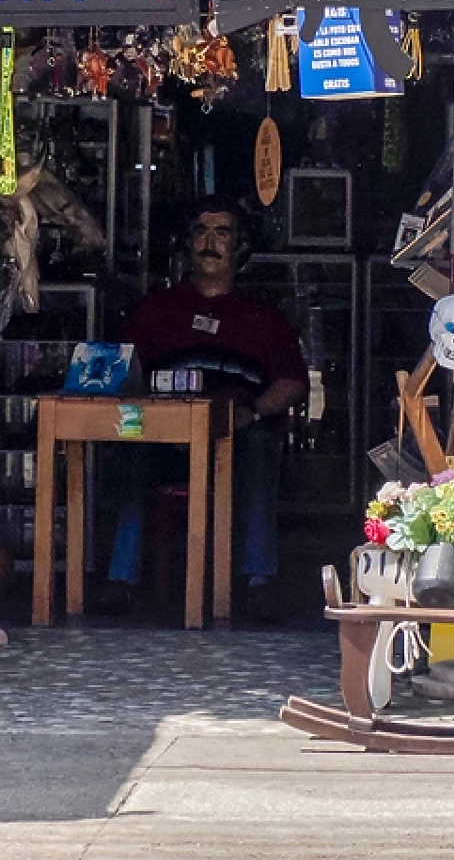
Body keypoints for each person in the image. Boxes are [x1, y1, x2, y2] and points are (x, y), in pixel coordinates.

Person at [101, 197, 308, 622]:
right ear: (187, 243)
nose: (210, 243)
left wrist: (251, 412)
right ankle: (119, 581)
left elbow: (291, 383)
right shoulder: (155, 310)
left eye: (223, 232)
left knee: (259, 449)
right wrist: (151, 415)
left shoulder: (263, 318)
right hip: (165, 440)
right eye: (201, 231)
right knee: (129, 452)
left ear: (239, 247)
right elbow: (125, 373)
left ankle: (258, 583)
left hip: (235, 435)